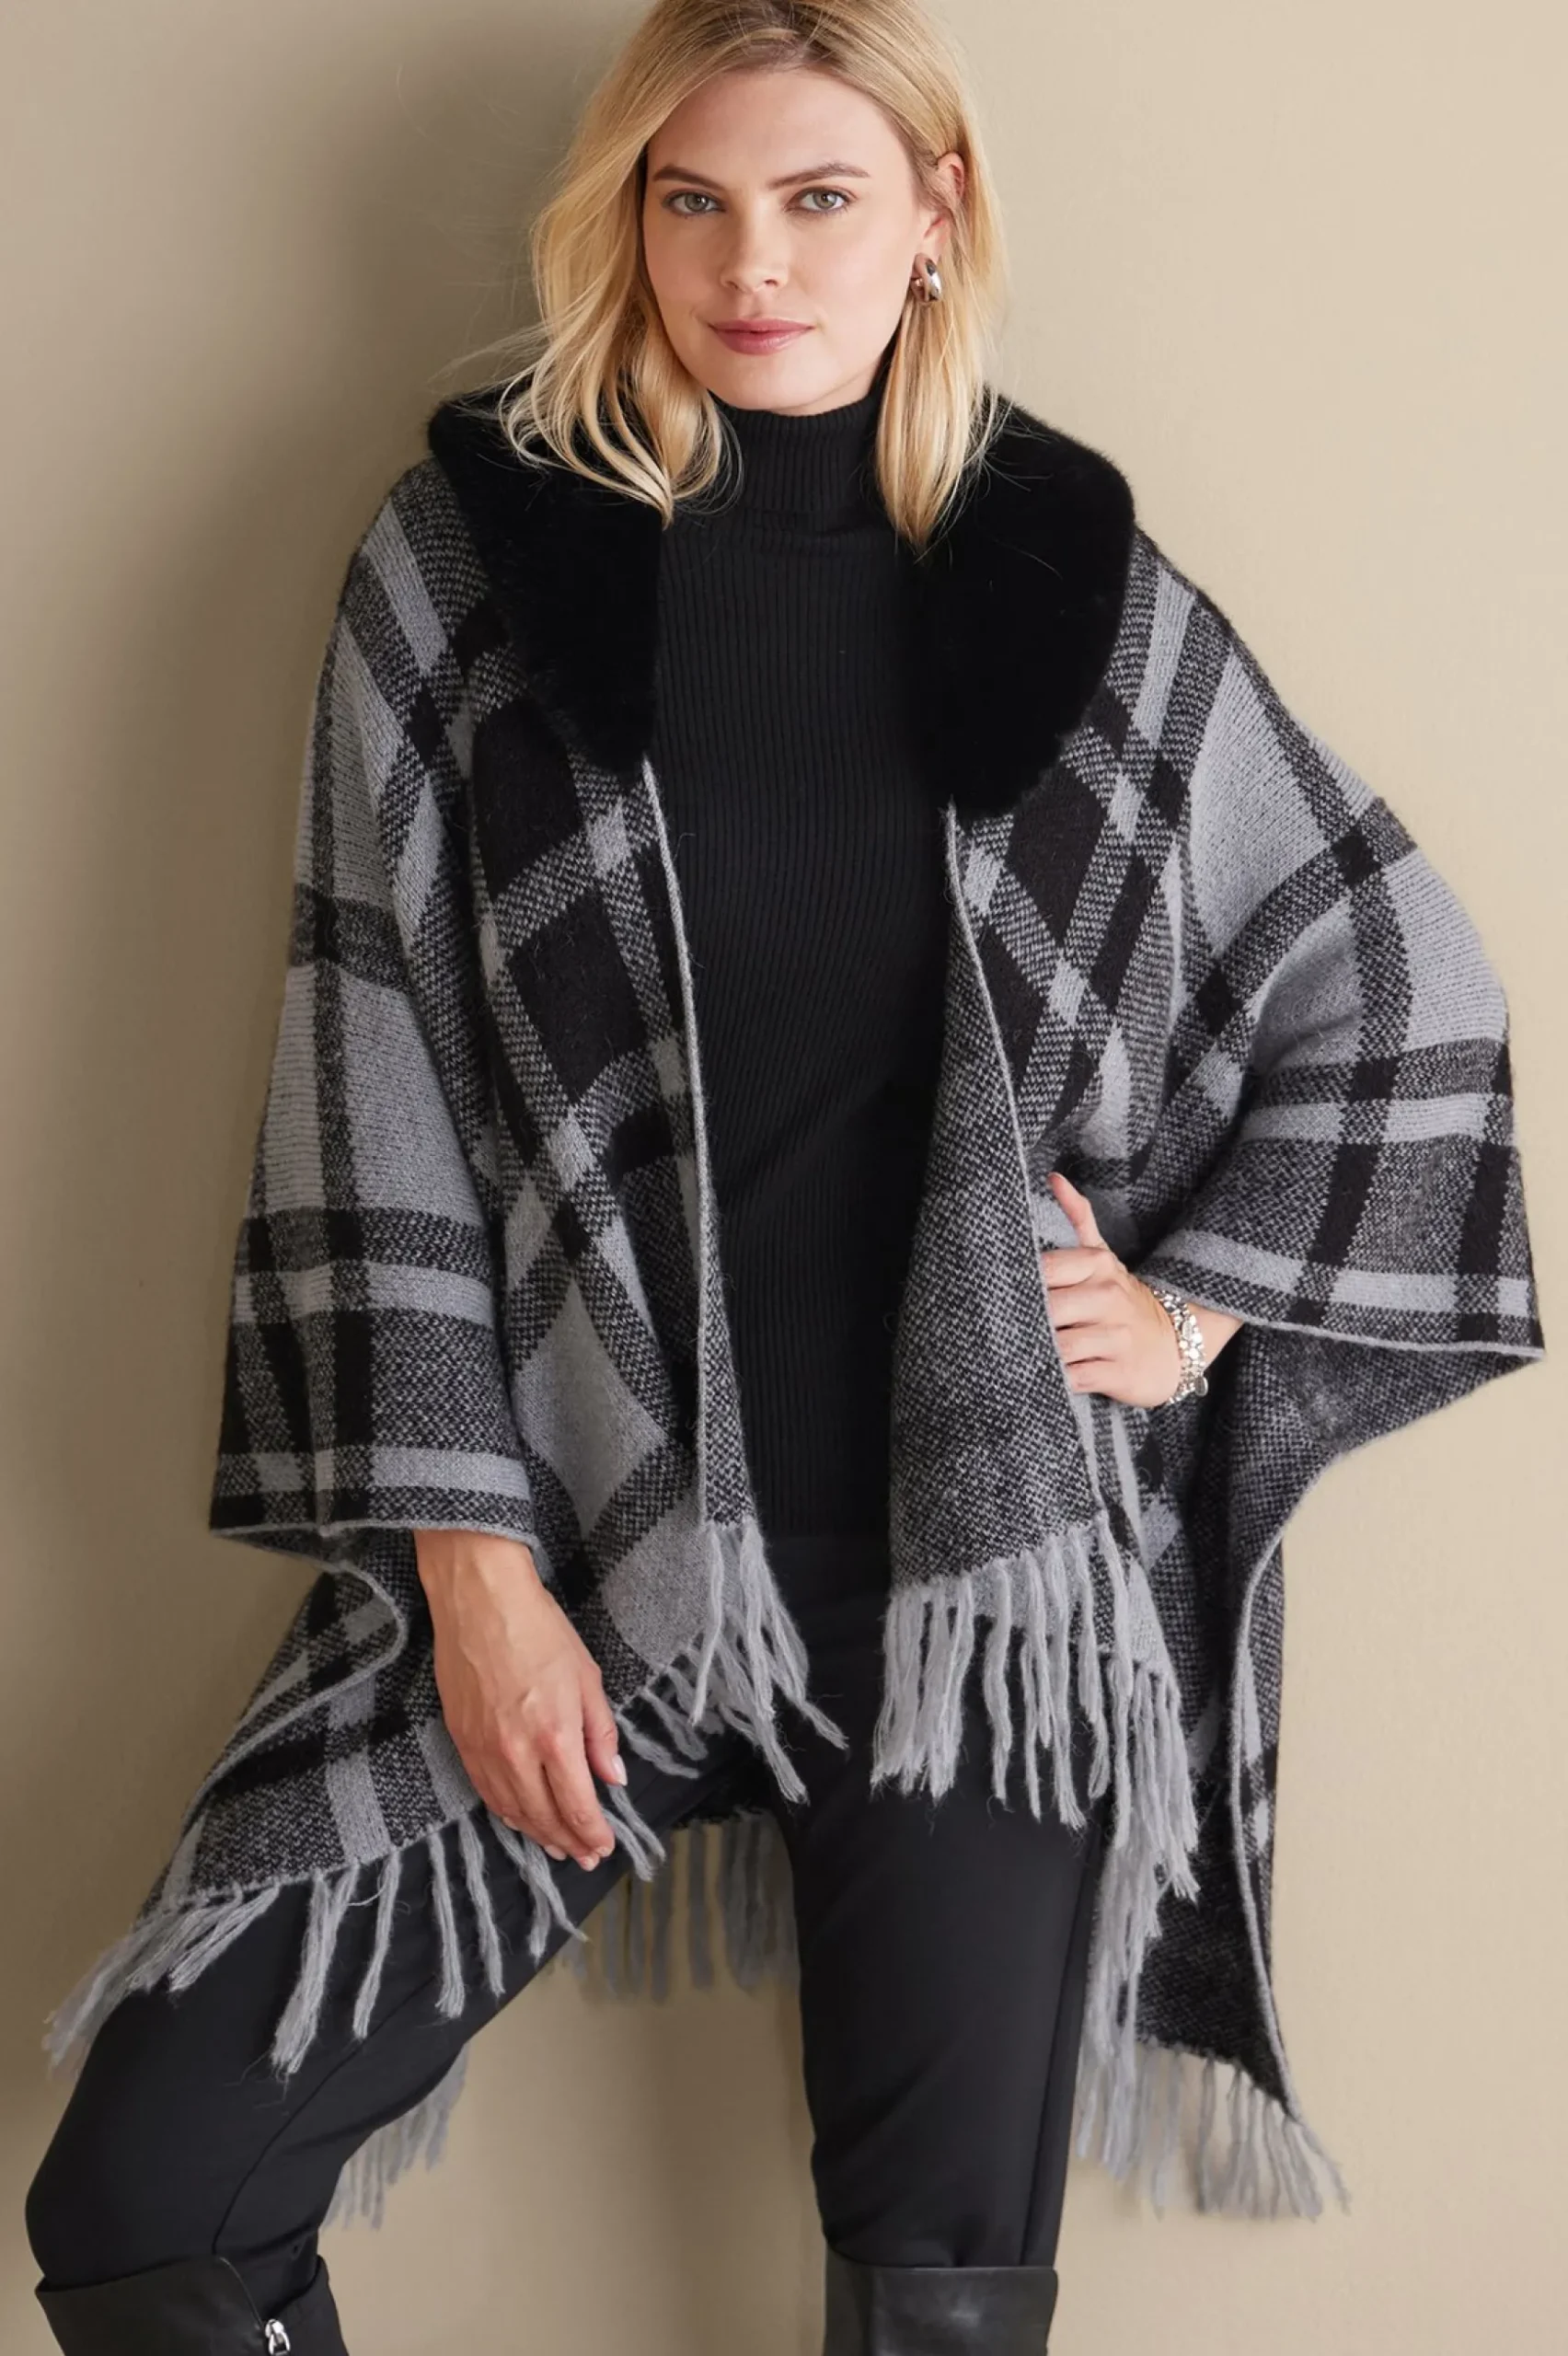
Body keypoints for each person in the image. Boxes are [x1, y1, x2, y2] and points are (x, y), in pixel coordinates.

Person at [25, 3, 1542, 2351]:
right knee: (150, 2199)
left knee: (938, 2306)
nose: (755, 264)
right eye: (695, 200)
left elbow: (1399, 981)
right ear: (626, 221)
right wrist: (471, 1577)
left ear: (934, 218)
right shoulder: (474, 568)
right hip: (582, 1533)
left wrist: (1194, 1311)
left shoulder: (1065, 584)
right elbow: (370, 1063)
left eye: (822, 198)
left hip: (978, 1582)